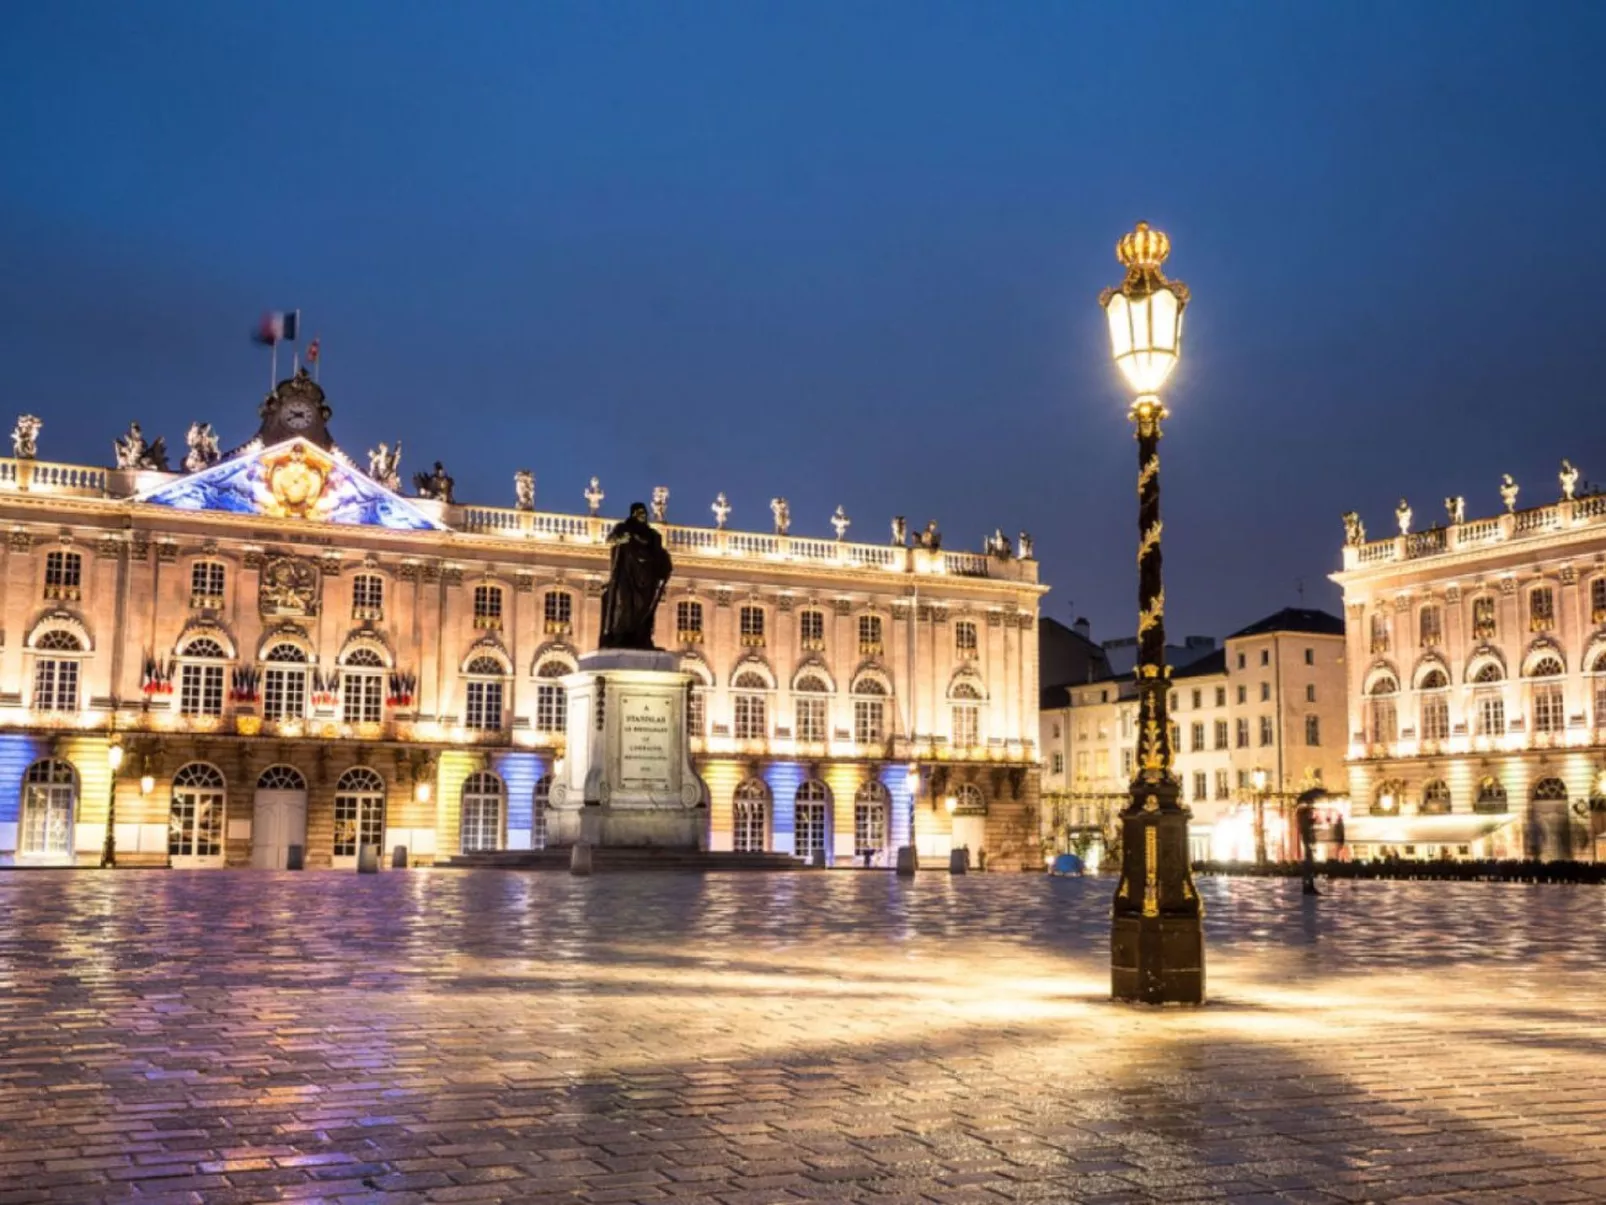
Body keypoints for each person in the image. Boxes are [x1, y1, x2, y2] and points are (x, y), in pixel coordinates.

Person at [599, 502, 673, 649]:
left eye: (644, 512)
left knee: (644, 610)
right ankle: (620, 636)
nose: (643, 515)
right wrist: (621, 539)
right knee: (624, 605)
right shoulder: (623, 528)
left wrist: (665, 565)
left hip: (646, 578)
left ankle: (642, 637)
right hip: (626, 575)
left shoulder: (653, 535)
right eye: (639, 512)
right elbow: (610, 539)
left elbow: (660, 554)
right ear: (633, 514)